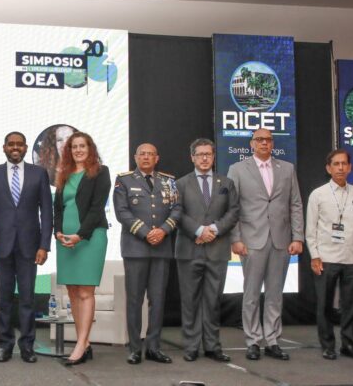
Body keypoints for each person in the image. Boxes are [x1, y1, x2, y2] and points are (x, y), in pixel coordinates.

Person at [227, 127, 304, 361]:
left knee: (275, 294)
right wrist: (235, 239)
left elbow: (295, 204)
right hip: (251, 240)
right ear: (251, 144)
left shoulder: (287, 168)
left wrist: (298, 237)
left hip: (281, 239)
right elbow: (232, 207)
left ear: (273, 144)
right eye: (259, 140)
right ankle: (252, 340)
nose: (264, 143)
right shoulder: (237, 169)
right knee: (251, 294)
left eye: (268, 140)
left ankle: (272, 340)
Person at [0, 131, 53, 363]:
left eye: (19, 144)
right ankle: (5, 345)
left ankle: (27, 346)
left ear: (25, 148)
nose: (15, 148)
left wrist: (44, 245)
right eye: (11, 144)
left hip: (30, 247)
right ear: (4, 147)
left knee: (27, 299)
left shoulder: (39, 173)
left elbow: (47, 212)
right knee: (4, 300)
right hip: (1, 247)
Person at [113, 143, 180, 365]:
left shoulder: (169, 181)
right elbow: (122, 211)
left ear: (157, 158)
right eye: (142, 154)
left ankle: (153, 347)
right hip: (135, 249)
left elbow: (177, 208)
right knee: (134, 300)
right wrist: (145, 232)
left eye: (150, 154)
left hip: (161, 248)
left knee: (158, 300)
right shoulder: (124, 180)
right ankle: (135, 349)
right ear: (135, 157)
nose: (146, 157)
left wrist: (163, 230)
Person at [173, 138, 238, 363]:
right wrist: (199, 230)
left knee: (213, 300)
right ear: (192, 157)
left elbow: (233, 211)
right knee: (189, 300)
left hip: (217, 249)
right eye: (200, 154)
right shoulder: (180, 184)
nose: (204, 158)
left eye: (208, 154)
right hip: (188, 250)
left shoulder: (226, 183)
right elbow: (177, 213)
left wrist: (214, 230)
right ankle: (191, 346)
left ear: (213, 157)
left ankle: (212, 346)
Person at [306, 149, 353, 360]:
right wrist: (315, 255)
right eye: (336, 164)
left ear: (350, 167)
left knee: (351, 304)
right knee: (324, 304)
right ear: (328, 168)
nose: (341, 168)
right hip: (326, 257)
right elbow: (311, 229)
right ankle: (327, 345)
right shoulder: (318, 194)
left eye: (344, 164)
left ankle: (348, 344)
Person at [53, 132, 110, 367]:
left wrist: (80, 235)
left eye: (82, 146)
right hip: (65, 241)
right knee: (73, 291)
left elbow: (97, 208)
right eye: (74, 146)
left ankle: (80, 344)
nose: (78, 150)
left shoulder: (101, 172)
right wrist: (58, 232)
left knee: (86, 291)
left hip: (90, 238)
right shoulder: (64, 174)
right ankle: (83, 343)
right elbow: (58, 208)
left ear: (90, 148)